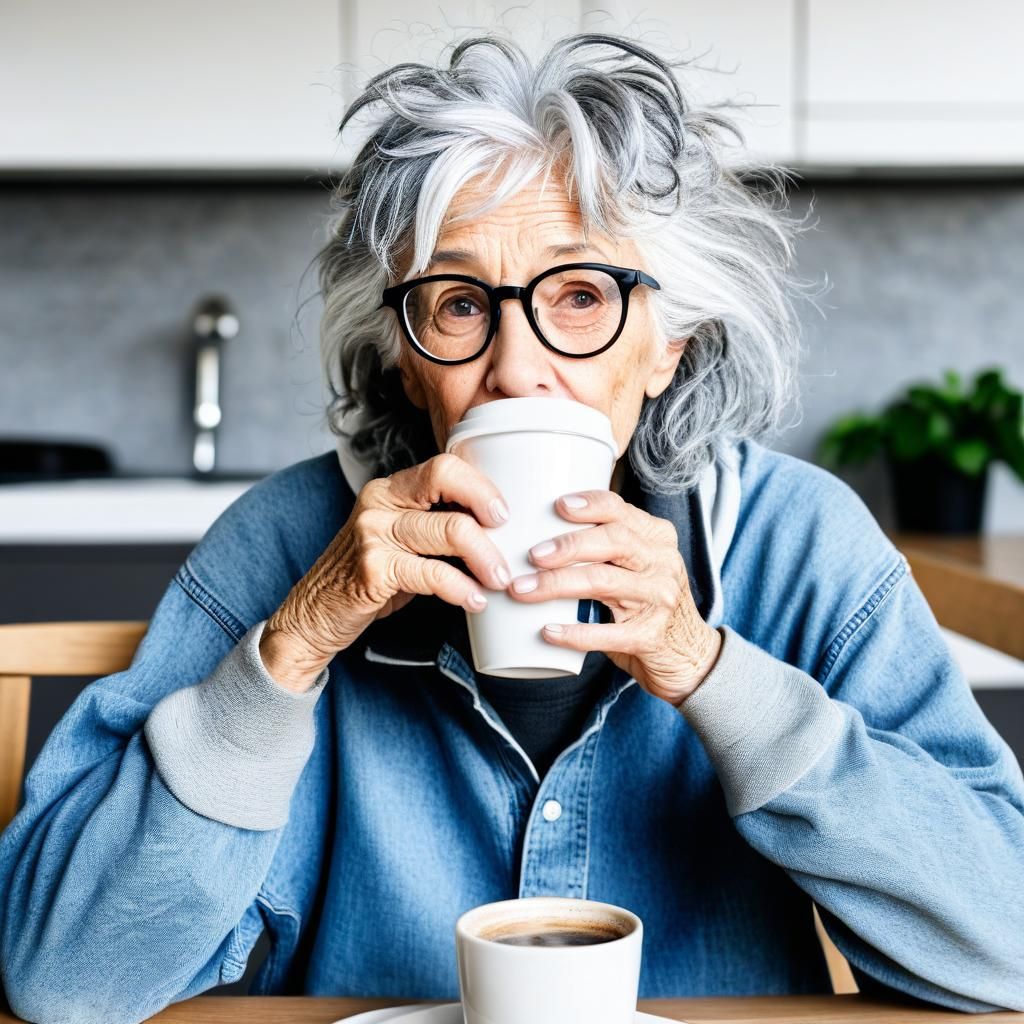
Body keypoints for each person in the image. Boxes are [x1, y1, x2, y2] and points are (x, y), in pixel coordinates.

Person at [2, 31, 1023, 1024]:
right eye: (456, 305)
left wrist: (706, 666)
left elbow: (1004, 946)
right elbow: (66, 979)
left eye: (579, 295)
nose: (517, 367)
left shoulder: (794, 543)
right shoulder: (289, 548)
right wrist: (297, 643)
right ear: (405, 356)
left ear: (666, 344)